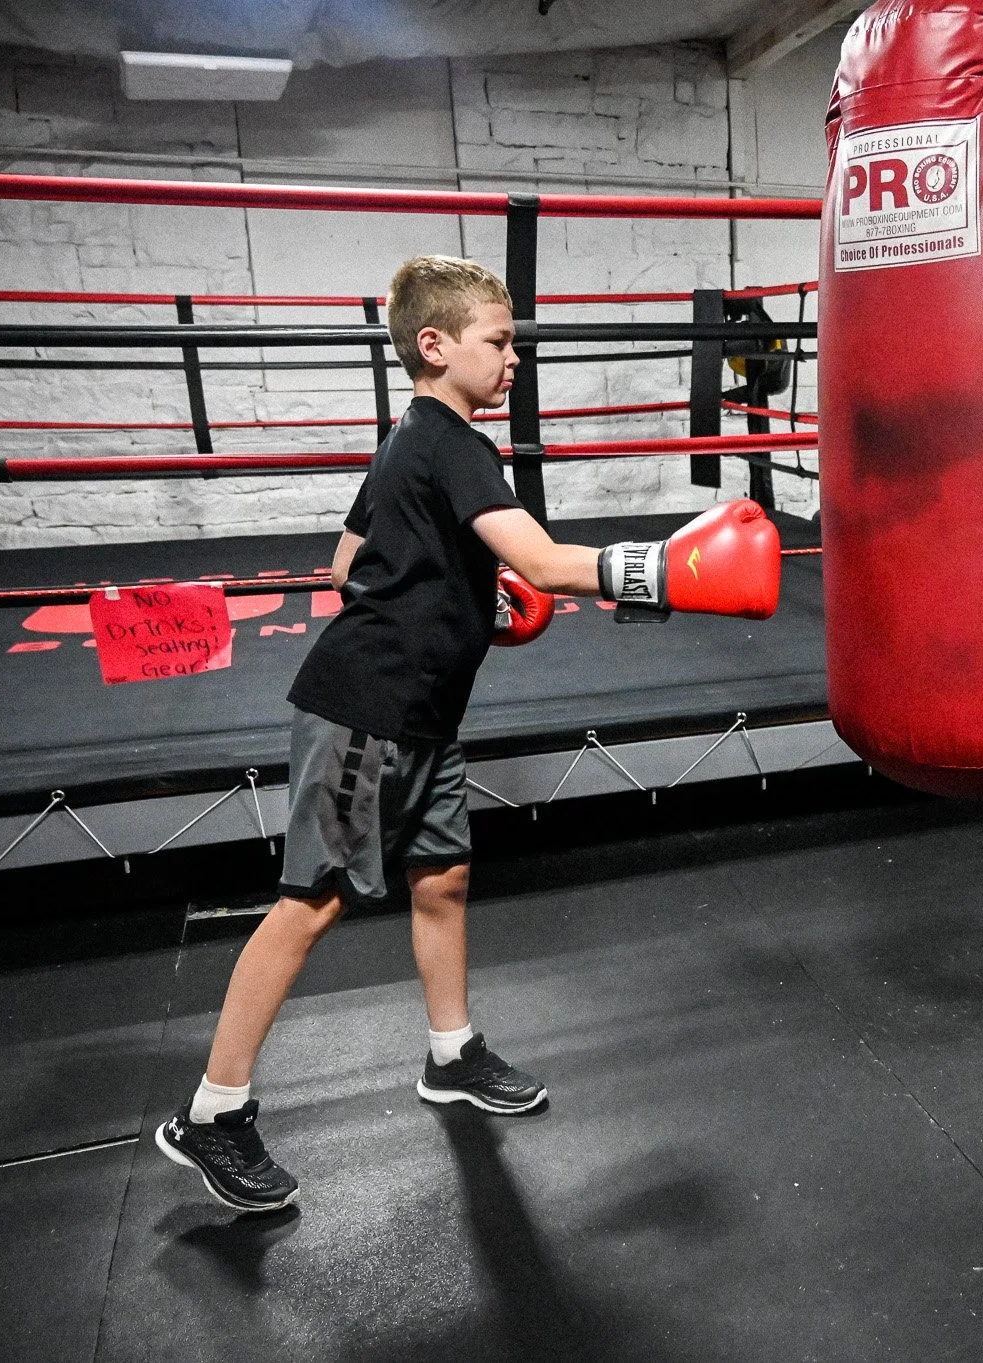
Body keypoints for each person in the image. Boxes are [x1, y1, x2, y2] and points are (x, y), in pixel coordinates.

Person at [157, 255, 775, 1212]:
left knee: (440, 875)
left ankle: (451, 1053)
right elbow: (547, 562)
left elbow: (345, 561)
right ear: (435, 345)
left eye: (516, 341)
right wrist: (676, 566)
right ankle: (213, 1110)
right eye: (499, 340)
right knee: (310, 902)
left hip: (424, 714)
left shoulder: (411, 436)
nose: (514, 357)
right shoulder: (452, 443)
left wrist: (466, 606)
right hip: (368, 711)